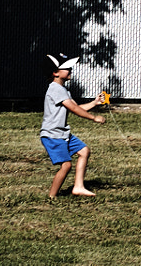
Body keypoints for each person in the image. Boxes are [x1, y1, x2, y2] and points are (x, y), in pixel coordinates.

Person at [39, 53, 107, 198]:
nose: (71, 70)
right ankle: (52, 196)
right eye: (67, 68)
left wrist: (94, 103)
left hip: (62, 133)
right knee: (67, 165)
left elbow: (78, 106)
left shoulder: (63, 90)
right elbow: (75, 109)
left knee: (84, 151)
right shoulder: (55, 89)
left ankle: (78, 187)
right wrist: (94, 118)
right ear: (55, 73)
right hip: (53, 135)